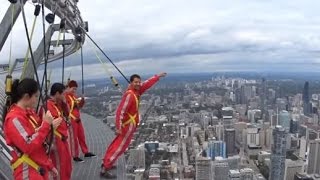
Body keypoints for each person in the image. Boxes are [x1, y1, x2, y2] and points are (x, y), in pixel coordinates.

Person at [100, 72, 167, 178]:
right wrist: (118, 127)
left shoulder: (136, 91)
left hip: (129, 125)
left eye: (139, 82)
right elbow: (120, 111)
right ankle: (105, 168)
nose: (138, 84)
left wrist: (157, 77)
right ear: (131, 82)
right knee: (119, 146)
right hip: (126, 126)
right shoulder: (130, 95)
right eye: (135, 82)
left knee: (118, 145)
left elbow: (146, 84)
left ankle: (107, 162)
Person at [4, 78, 61, 179]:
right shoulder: (14, 118)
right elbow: (28, 145)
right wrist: (46, 125)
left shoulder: (29, 114)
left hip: (38, 168)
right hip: (28, 172)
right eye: (35, 96)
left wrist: (49, 165)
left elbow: (38, 142)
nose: (36, 99)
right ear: (26, 96)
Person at [39, 83, 72, 180]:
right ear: (57, 93)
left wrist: (65, 102)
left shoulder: (58, 104)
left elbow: (66, 113)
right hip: (56, 140)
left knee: (67, 165)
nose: (64, 96)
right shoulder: (47, 107)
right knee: (59, 166)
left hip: (63, 139)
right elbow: (46, 125)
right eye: (63, 94)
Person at [65, 80, 95, 162]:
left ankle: (85, 151)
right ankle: (75, 155)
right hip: (72, 119)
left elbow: (78, 107)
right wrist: (75, 103)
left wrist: (82, 101)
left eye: (75, 89)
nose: (74, 91)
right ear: (68, 88)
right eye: (73, 89)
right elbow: (67, 108)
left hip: (77, 119)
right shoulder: (65, 97)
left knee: (81, 135)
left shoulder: (73, 96)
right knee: (73, 137)